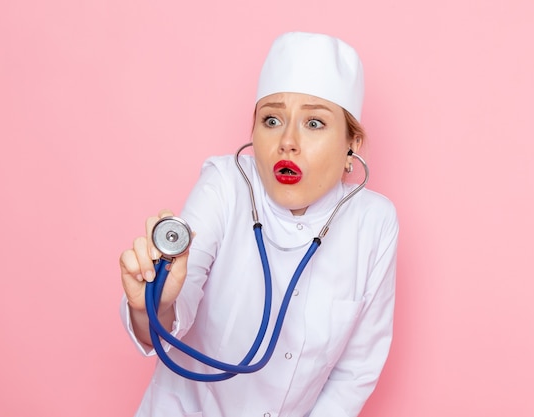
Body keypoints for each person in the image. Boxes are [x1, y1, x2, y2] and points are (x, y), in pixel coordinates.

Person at [119, 31, 399, 417]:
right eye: (271, 119)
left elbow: (356, 372)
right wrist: (154, 303)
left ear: (351, 144)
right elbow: (165, 324)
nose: (287, 142)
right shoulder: (225, 185)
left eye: (314, 123)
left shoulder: (375, 223)